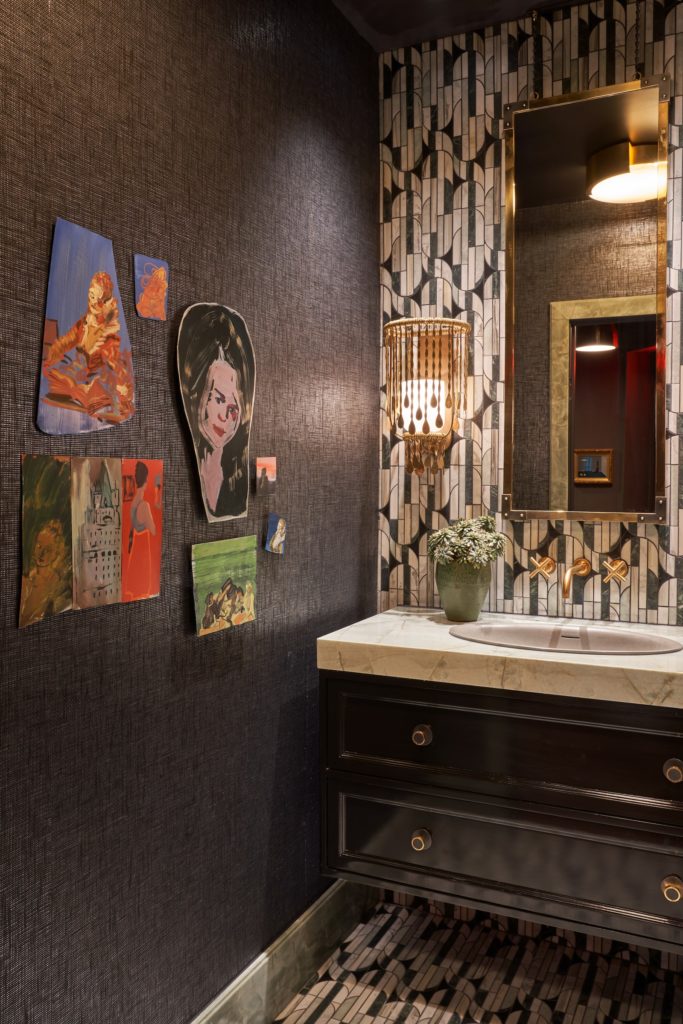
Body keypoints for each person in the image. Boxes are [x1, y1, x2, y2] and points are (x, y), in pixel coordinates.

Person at [177, 304, 255, 521]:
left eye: (232, 408)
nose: (225, 417)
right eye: (218, 399)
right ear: (196, 395)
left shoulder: (233, 486)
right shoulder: (197, 471)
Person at [43, 271, 134, 423]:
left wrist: (119, 383)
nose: (91, 302)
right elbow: (66, 341)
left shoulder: (108, 334)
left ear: (102, 301)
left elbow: (113, 364)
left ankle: (96, 400)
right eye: (90, 295)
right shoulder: (83, 324)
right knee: (56, 377)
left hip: (100, 379)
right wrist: (51, 356)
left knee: (96, 389)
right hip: (80, 375)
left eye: (95, 298)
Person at [19, 519, 72, 627]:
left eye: (48, 550)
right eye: (39, 546)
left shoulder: (56, 583)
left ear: (56, 553)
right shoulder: (27, 579)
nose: (42, 553)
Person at [124, 461, 157, 600]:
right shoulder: (144, 505)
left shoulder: (133, 503)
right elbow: (154, 530)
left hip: (136, 546)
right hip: (143, 547)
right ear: (145, 480)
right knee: (142, 591)